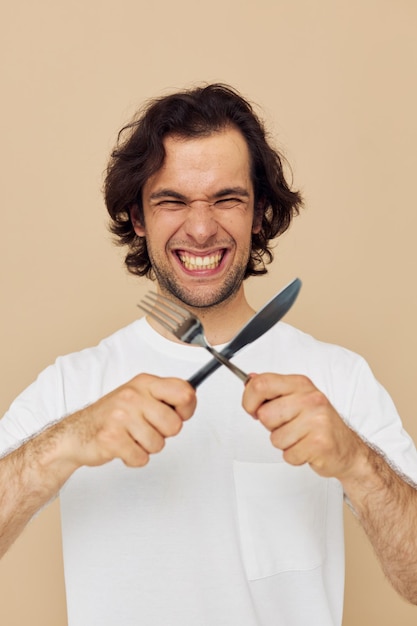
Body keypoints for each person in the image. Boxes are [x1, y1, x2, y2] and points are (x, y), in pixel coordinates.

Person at [1, 83, 417, 626]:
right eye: (172, 201)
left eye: (227, 199)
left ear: (260, 214)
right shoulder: (72, 383)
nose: (201, 229)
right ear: (138, 218)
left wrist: (357, 462)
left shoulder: (340, 378)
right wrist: (70, 440)